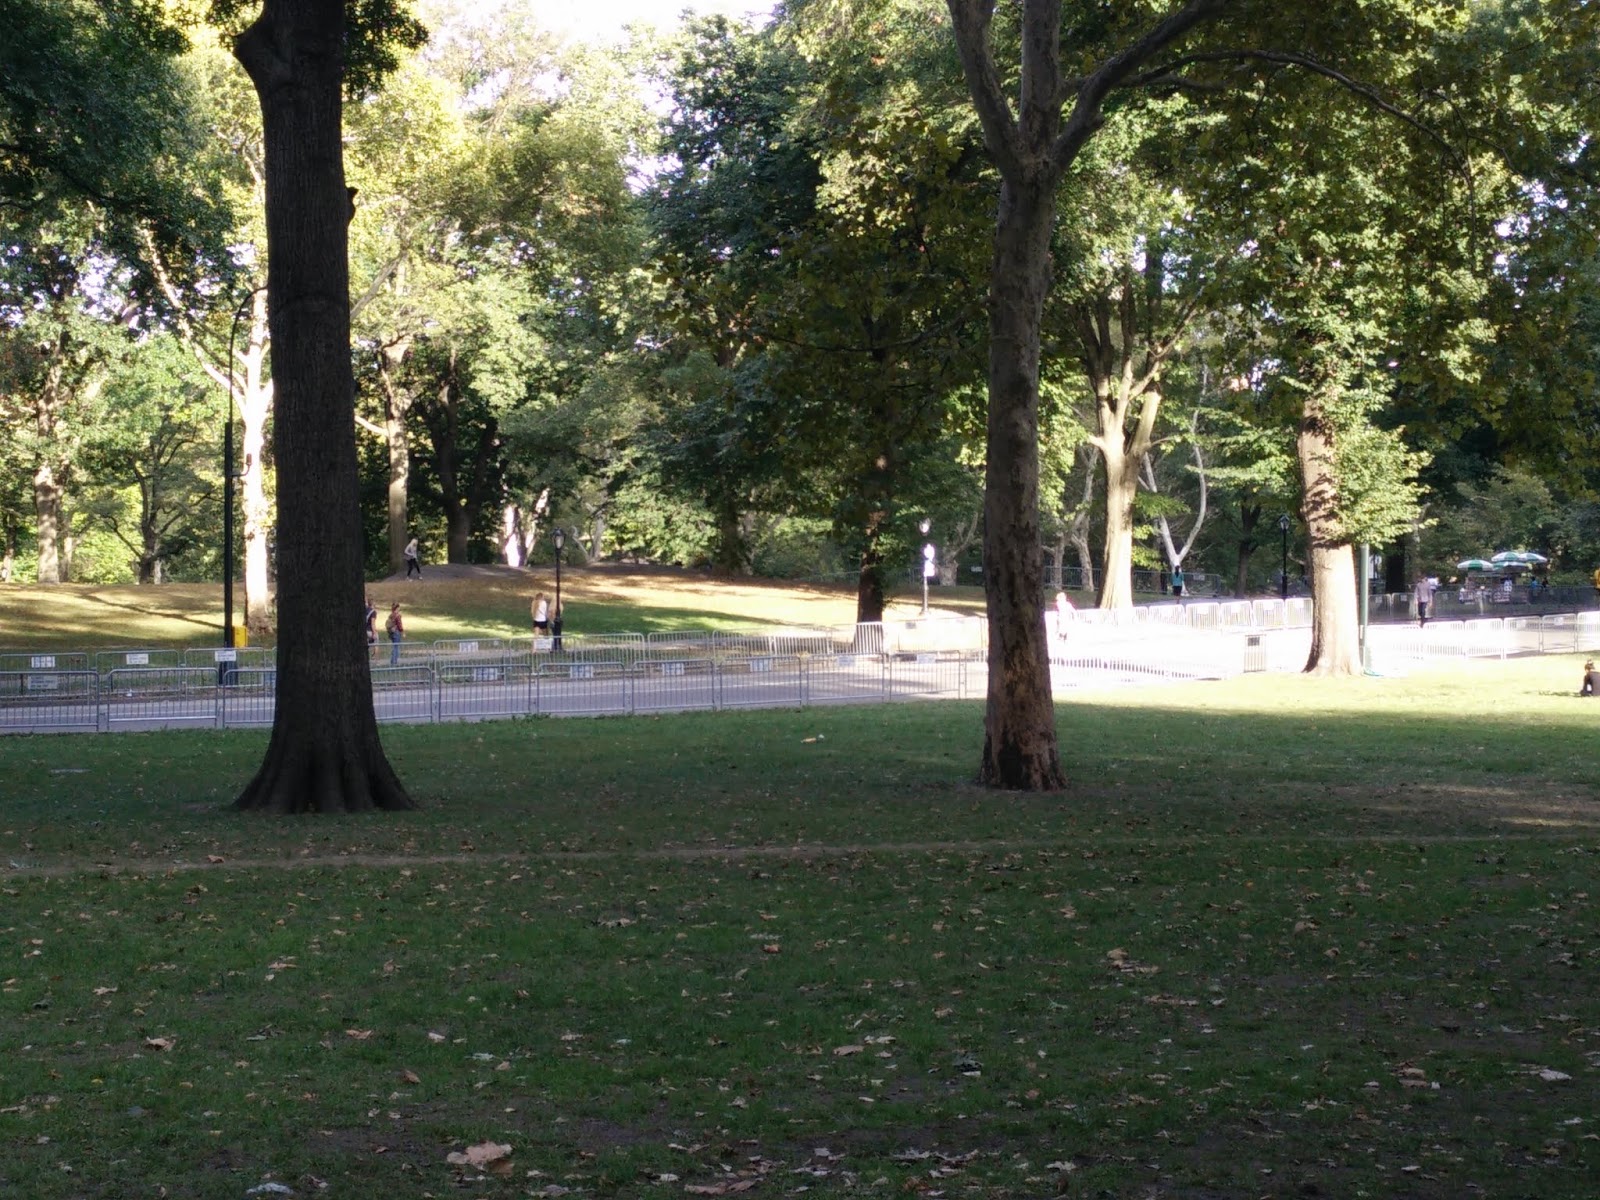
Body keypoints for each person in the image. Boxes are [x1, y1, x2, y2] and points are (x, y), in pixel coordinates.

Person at [385, 601, 404, 665]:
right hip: (396, 632)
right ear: (397, 608)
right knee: (396, 647)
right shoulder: (397, 616)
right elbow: (399, 625)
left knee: (394, 646)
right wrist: (402, 632)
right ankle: (394, 662)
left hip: (391, 633)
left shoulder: (391, 615)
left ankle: (392, 660)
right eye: (399, 608)